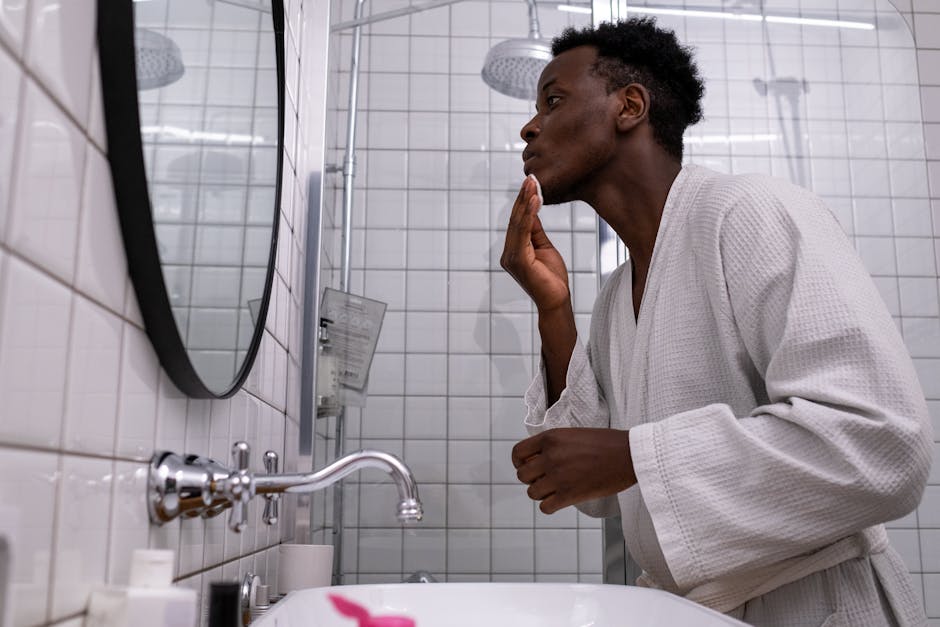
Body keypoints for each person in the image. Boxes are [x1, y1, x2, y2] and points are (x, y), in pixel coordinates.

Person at [500, 17, 932, 626]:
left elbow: (883, 444)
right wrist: (553, 308)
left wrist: (637, 458)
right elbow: (591, 488)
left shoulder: (750, 212)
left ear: (629, 106)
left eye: (553, 100)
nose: (529, 124)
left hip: (816, 605)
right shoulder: (619, 292)